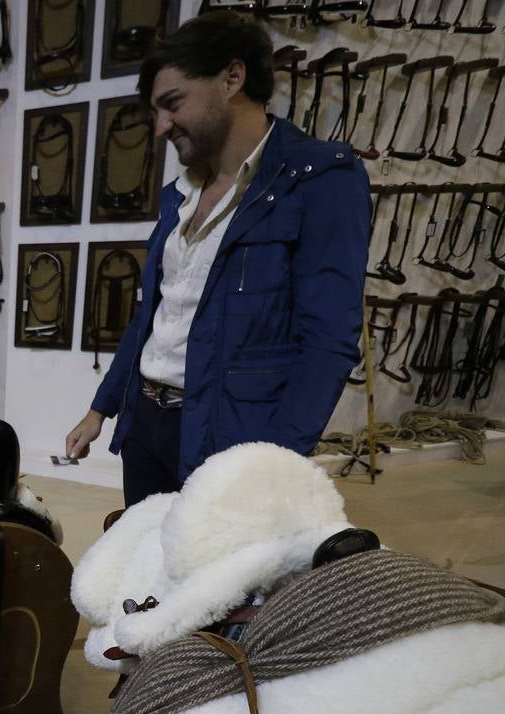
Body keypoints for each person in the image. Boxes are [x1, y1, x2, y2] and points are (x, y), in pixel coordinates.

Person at [64, 11, 369, 506]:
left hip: (227, 436)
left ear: (232, 78)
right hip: (146, 422)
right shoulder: (178, 196)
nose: (161, 127)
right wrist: (101, 409)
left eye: (172, 104)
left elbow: (329, 342)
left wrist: (274, 463)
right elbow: (155, 316)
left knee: (212, 578)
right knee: (144, 566)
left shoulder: (320, 180)